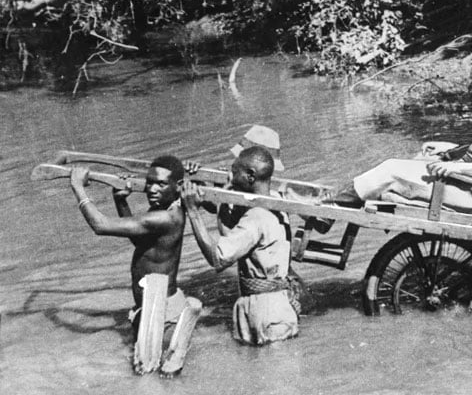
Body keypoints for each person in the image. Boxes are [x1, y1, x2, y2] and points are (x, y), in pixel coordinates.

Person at [325, 59, 472, 214]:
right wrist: (448, 151)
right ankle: (348, 197)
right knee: (423, 154)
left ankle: (331, 206)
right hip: (470, 184)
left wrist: (456, 168)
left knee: (390, 168)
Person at [69, 155, 201, 377]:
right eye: (149, 182)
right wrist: (121, 201)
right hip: (155, 305)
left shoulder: (164, 218)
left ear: (178, 187)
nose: (152, 189)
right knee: (151, 374)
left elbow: (101, 226)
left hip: (162, 311)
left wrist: (78, 188)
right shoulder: (166, 209)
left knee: (149, 377)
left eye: (161, 184)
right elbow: (140, 242)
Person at [182, 146, 299, 345]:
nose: (229, 176)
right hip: (272, 304)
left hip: (266, 310)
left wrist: (193, 211)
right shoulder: (276, 202)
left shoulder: (254, 219)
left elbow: (217, 258)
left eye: (234, 172)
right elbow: (230, 228)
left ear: (250, 176)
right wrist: (198, 181)